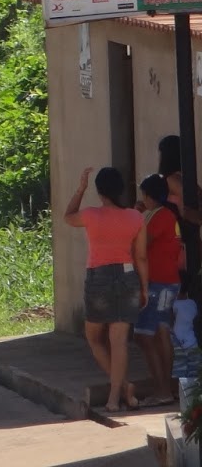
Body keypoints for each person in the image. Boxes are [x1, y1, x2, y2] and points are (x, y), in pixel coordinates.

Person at [65, 165, 147, 412]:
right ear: (121, 190)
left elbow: (68, 216)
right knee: (119, 340)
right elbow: (141, 257)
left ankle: (123, 388)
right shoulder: (136, 217)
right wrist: (144, 287)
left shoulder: (90, 215)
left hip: (99, 277)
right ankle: (117, 395)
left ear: (100, 192)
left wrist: (80, 189)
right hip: (128, 275)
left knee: (93, 337)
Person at [135, 172, 185, 404]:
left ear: (147, 195)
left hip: (158, 282)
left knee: (146, 335)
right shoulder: (165, 214)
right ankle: (170, 388)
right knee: (162, 332)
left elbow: (142, 245)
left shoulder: (158, 217)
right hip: (169, 280)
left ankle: (162, 390)